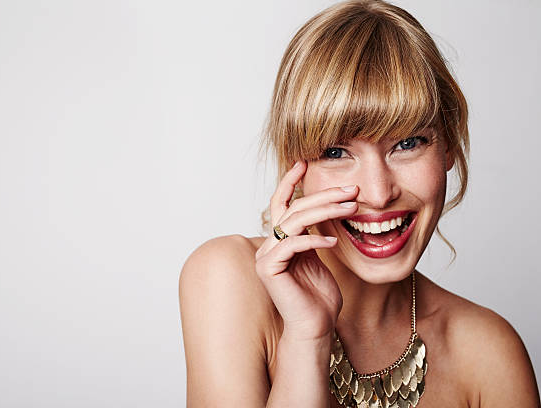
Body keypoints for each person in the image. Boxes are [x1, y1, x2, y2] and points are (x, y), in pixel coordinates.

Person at [179, 1, 540, 407]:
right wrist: (306, 337)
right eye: (335, 152)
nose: (377, 192)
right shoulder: (227, 278)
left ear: (449, 147)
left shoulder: (489, 353)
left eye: (407, 144)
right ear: (294, 164)